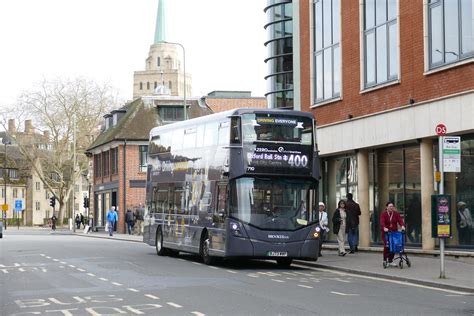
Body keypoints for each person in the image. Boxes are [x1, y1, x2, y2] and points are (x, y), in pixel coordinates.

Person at [380, 201, 405, 267]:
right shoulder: (384, 214)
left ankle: (390, 260)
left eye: (392, 206)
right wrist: (384, 227)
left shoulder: (396, 214)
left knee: (394, 246)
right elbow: (382, 222)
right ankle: (385, 260)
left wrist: (402, 225)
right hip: (386, 233)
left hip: (394, 233)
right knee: (387, 246)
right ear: (387, 207)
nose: (391, 208)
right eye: (390, 206)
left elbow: (400, 220)